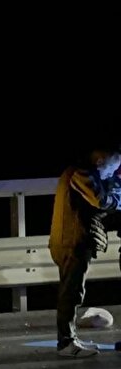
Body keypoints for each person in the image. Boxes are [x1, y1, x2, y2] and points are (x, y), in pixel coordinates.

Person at [49, 147, 121, 357]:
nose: (114, 171)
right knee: (71, 292)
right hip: (72, 240)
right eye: (114, 164)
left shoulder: (89, 173)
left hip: (77, 238)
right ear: (101, 159)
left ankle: (70, 339)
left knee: (73, 291)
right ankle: (66, 342)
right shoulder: (81, 174)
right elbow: (100, 200)